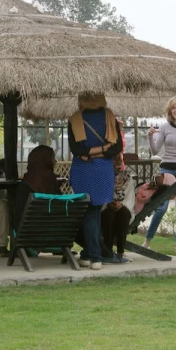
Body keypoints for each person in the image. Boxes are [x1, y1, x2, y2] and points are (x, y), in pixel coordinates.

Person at [68, 94, 123, 270]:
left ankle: (93, 255)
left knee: (89, 211)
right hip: (102, 169)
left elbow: (77, 150)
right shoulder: (109, 117)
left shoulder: (75, 119)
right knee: (94, 211)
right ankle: (91, 255)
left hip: (82, 170)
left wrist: (89, 152)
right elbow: (116, 148)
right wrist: (103, 150)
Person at [143, 96, 176, 253]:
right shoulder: (164, 127)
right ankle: (147, 241)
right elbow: (155, 151)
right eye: (173, 108)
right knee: (161, 207)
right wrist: (150, 137)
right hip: (166, 170)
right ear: (170, 110)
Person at [100, 153, 134, 264]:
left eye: (120, 160)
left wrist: (121, 205)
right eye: (114, 159)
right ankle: (108, 251)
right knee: (109, 213)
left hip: (123, 206)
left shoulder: (127, 178)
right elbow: (99, 195)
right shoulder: (101, 176)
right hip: (104, 208)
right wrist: (108, 204)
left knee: (124, 213)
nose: (118, 162)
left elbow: (130, 197)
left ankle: (120, 251)